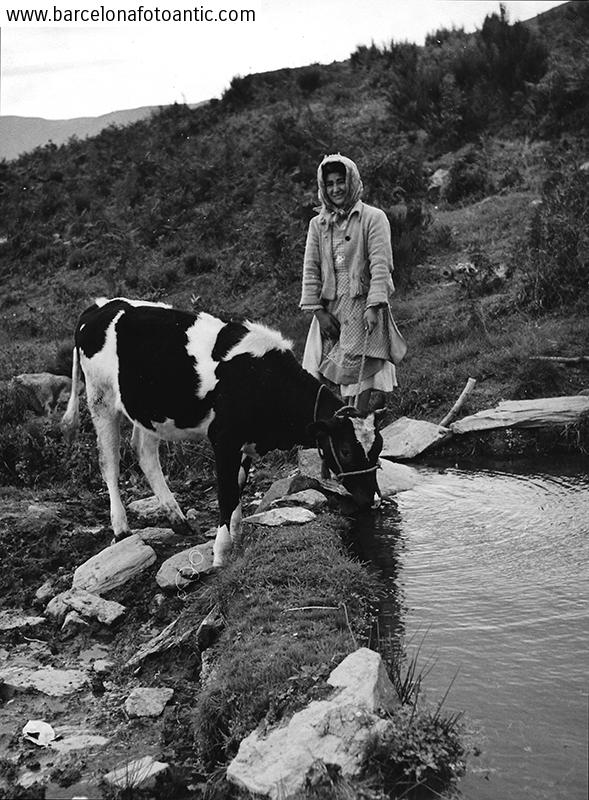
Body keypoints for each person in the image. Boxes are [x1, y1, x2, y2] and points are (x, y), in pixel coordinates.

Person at [300, 153, 406, 413]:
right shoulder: (318, 224)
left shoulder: (373, 218)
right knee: (323, 366)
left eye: (341, 181)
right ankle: (335, 420)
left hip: (361, 303)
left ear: (352, 181)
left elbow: (381, 265)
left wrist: (374, 305)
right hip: (331, 305)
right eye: (330, 184)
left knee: (360, 364)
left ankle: (353, 420)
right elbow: (311, 268)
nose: (336, 188)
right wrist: (318, 311)